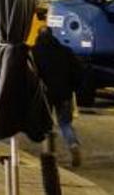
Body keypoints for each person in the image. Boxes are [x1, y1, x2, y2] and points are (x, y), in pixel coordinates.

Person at [33, 23, 83, 167]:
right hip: (64, 93)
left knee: (46, 124)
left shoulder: (35, 52)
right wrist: (73, 87)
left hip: (44, 95)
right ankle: (73, 144)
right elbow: (78, 71)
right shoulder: (65, 51)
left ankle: (50, 153)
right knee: (65, 123)